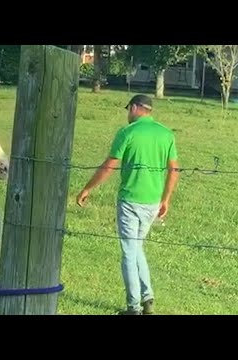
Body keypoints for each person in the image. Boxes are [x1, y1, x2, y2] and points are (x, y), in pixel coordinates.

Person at [76, 94, 180, 315]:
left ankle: (133, 306)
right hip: (152, 201)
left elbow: (110, 165)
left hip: (130, 200)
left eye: (128, 110)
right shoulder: (166, 134)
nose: (127, 114)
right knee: (136, 247)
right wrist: (166, 198)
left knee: (128, 252)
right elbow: (174, 170)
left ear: (134, 108)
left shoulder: (127, 133)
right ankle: (148, 297)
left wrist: (87, 188)